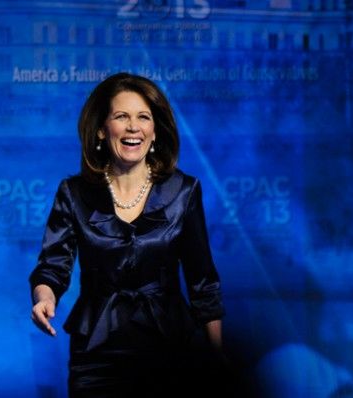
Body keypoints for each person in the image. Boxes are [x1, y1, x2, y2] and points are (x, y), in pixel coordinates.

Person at [29, 72, 230, 397]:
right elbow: (52, 266)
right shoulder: (73, 192)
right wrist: (44, 298)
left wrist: (218, 355)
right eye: (121, 116)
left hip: (169, 348)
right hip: (96, 351)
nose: (133, 127)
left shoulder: (184, 191)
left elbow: (202, 280)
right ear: (100, 129)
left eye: (143, 117)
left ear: (154, 132)